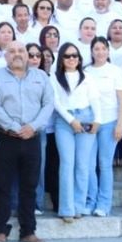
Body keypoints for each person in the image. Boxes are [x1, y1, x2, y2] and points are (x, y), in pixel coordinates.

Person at [0, 41, 52, 242]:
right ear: (5, 56)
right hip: (6, 137)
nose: (17, 54)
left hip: (32, 137)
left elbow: (48, 104)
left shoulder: (41, 77)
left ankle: (28, 231)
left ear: (27, 55)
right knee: (3, 185)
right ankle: (1, 231)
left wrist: (33, 126)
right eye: (12, 51)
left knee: (29, 186)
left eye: (21, 51)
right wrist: (15, 127)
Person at [51, 41, 97, 222]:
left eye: (75, 55)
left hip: (86, 118)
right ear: (62, 59)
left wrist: (98, 120)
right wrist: (71, 120)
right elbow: (55, 102)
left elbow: (95, 99)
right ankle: (66, 209)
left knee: (83, 165)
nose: (71, 58)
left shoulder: (87, 77)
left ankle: (78, 206)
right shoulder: (54, 77)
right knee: (67, 163)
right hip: (64, 121)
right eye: (67, 56)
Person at [84, 37, 122, 217]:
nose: (100, 52)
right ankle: (90, 201)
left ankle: (104, 203)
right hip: (90, 123)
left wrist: (120, 124)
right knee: (88, 165)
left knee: (104, 164)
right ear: (91, 51)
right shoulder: (85, 71)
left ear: (108, 51)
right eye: (96, 49)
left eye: (103, 48)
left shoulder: (115, 71)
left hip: (109, 122)